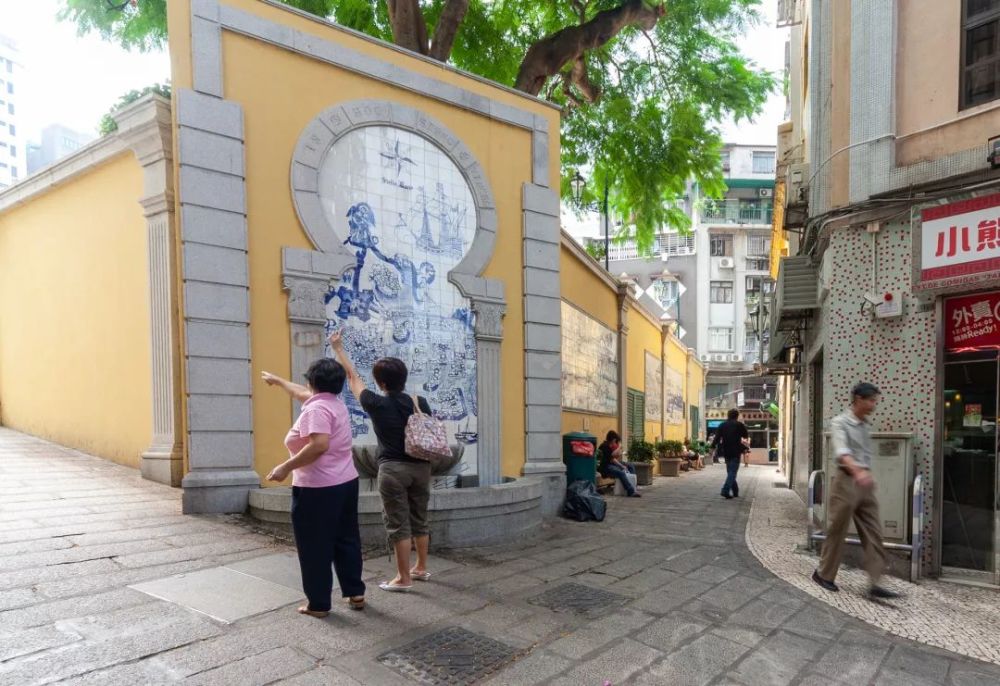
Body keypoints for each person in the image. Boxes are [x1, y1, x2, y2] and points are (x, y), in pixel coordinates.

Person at [329, 330, 432, 592]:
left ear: (381, 382)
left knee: (398, 524)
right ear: (403, 378)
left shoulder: (375, 403)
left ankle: (403, 578)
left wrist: (338, 348)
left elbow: (352, 377)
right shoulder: (420, 402)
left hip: (393, 470)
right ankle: (420, 567)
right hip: (421, 467)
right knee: (420, 518)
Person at [261, 360, 366, 617]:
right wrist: (279, 381)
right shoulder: (334, 403)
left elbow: (319, 445)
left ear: (312, 382)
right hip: (345, 483)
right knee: (346, 538)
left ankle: (318, 603)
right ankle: (355, 592)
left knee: (314, 545)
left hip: (318, 488)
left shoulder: (316, 410)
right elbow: (301, 393)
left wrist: (285, 467)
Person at [812, 383, 901, 601]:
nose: (874, 405)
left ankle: (875, 582)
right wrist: (859, 473)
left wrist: (866, 475)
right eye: (871, 400)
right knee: (837, 530)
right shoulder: (840, 422)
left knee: (873, 531)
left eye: (875, 400)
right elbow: (843, 453)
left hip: (863, 483)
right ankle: (823, 574)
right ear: (858, 399)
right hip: (846, 481)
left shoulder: (864, 425)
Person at [711, 409, 749, 499]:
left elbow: (717, 438)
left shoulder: (722, 425)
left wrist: (712, 447)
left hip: (726, 451)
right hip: (736, 451)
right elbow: (745, 435)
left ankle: (735, 491)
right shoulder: (739, 425)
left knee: (730, 472)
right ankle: (725, 490)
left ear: (728, 415)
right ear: (737, 416)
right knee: (732, 472)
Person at [597, 431, 640, 497]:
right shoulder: (604, 446)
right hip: (605, 466)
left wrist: (619, 451)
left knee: (630, 465)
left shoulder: (611, 446)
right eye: (616, 441)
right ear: (613, 439)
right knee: (621, 473)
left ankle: (634, 487)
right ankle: (631, 491)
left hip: (612, 464)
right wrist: (621, 465)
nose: (616, 443)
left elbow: (616, 457)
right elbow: (612, 458)